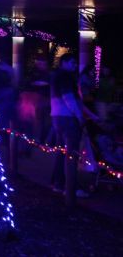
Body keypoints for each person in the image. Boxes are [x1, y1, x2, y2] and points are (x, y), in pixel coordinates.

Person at [49, 53, 99, 206]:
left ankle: (58, 183)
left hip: (58, 117)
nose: (75, 65)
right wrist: (79, 116)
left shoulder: (59, 76)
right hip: (67, 118)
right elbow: (69, 99)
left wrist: (91, 115)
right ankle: (70, 188)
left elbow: (77, 101)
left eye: (75, 63)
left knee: (62, 151)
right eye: (72, 62)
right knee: (71, 153)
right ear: (63, 62)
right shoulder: (65, 76)